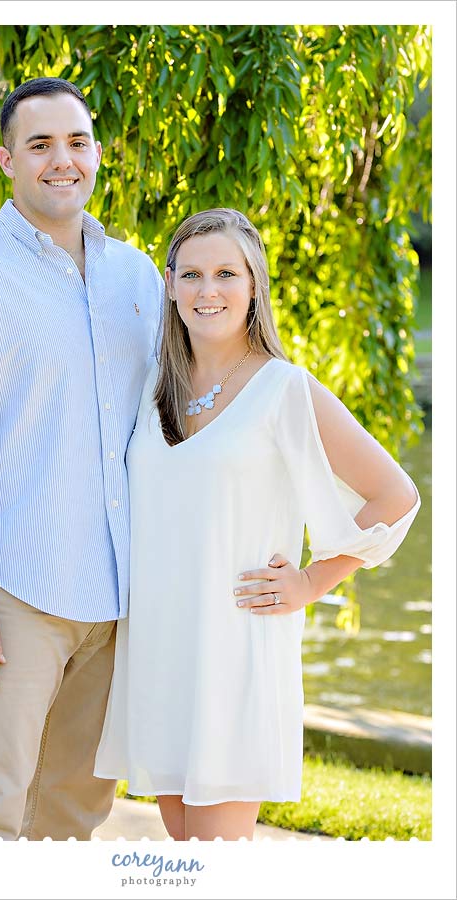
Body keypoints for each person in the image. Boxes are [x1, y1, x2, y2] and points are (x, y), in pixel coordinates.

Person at [93, 208, 421, 841]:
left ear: (253, 286)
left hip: (235, 650)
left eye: (225, 273)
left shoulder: (285, 390)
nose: (207, 291)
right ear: (169, 284)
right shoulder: (154, 384)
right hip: (161, 649)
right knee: (182, 862)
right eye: (190, 274)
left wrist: (311, 582)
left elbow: (394, 494)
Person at [0, 77, 163, 840]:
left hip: (117, 600)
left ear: (98, 154)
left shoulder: (138, 277)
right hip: (13, 593)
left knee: (73, 815)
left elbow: (166, 422)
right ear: (7, 160)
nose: (62, 160)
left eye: (76, 142)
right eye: (41, 145)